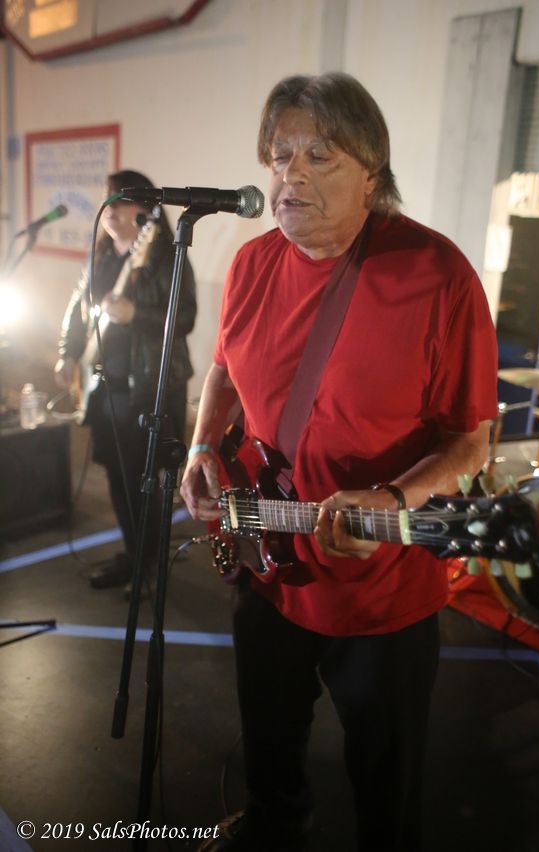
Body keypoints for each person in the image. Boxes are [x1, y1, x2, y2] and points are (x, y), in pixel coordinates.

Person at [180, 73, 498, 852]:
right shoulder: (251, 264)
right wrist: (201, 444)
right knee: (269, 740)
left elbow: (470, 443)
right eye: (279, 154)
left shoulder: (438, 276)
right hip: (268, 562)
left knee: (385, 779)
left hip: (382, 591)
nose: (289, 174)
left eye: (318, 155)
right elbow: (222, 368)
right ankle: (277, 822)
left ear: (371, 171)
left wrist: (393, 498)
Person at [55, 169, 197, 593]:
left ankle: (149, 563)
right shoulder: (100, 256)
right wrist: (67, 354)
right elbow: (77, 308)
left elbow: (185, 317)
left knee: (145, 479)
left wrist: (135, 314)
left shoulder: (167, 256)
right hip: (105, 387)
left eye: (121, 200)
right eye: (108, 200)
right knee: (117, 474)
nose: (110, 210)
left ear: (145, 211)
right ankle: (133, 553)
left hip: (150, 387)